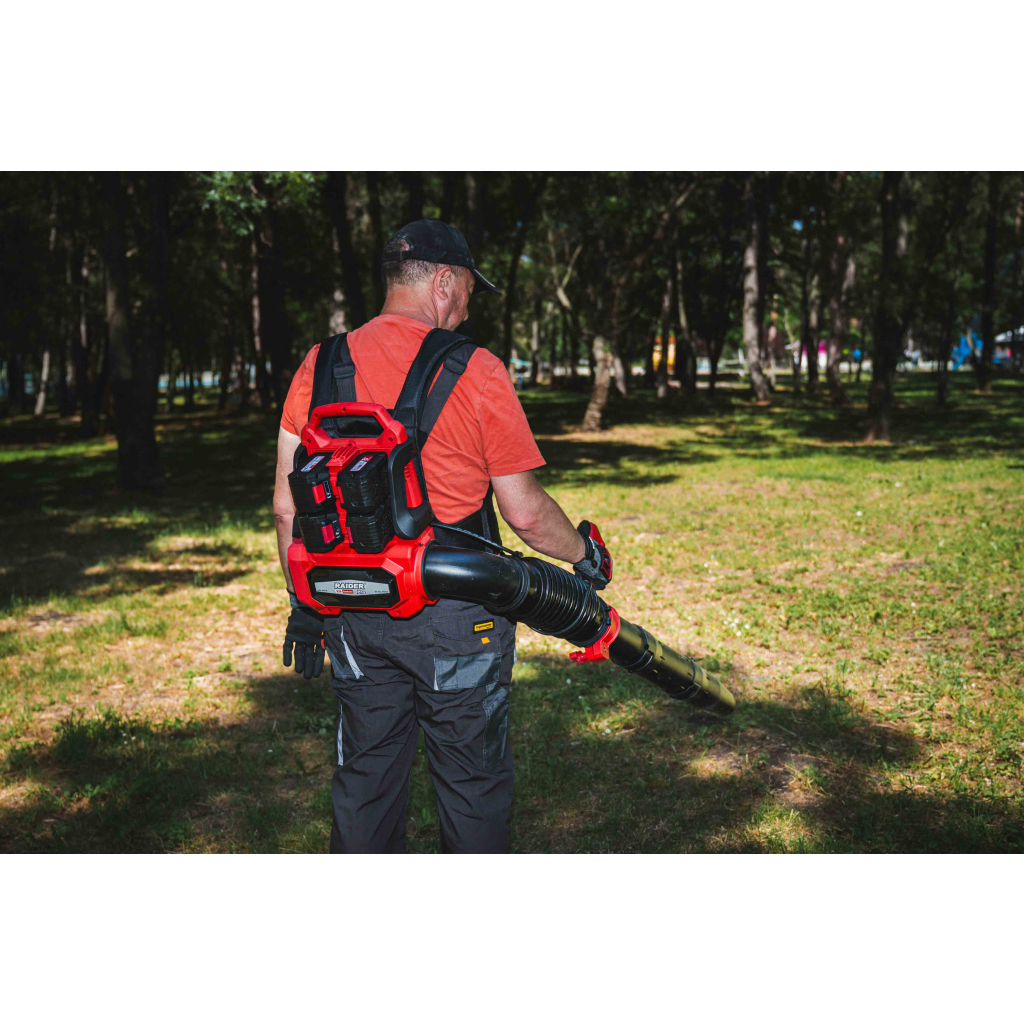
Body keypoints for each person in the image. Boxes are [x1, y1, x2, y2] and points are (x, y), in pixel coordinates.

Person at [272, 219, 612, 854]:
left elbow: (286, 505)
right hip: (458, 616)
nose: (467, 309)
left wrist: (305, 605)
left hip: (352, 609)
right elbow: (526, 515)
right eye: (468, 293)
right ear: (445, 282)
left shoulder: (318, 364)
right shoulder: (477, 369)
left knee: (366, 782)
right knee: (472, 786)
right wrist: (585, 554)